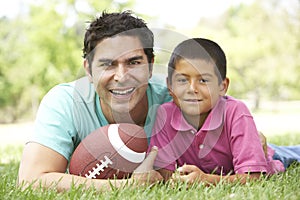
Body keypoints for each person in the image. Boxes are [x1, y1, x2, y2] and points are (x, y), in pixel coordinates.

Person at [17, 11, 170, 192]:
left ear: (151, 66)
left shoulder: (176, 97)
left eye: (134, 62)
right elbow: (31, 180)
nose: (121, 77)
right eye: (107, 64)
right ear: (88, 70)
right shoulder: (65, 102)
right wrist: (128, 186)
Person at [148, 38, 300, 185]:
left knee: (291, 154)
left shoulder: (236, 112)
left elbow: (254, 177)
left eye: (203, 80)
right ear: (169, 85)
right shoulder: (164, 115)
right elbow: (165, 173)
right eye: (182, 80)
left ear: (222, 86)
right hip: (232, 158)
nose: (192, 89)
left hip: (262, 155)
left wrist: (206, 180)